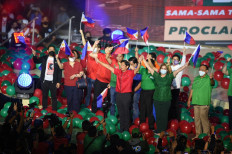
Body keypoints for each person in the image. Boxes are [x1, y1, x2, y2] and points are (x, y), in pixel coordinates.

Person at [143, 56, 189, 133]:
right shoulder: (156, 76)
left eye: (165, 69)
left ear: (167, 70)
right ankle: (158, 129)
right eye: (162, 68)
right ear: (160, 69)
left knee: (164, 116)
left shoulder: (169, 76)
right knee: (158, 115)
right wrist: (143, 59)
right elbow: (149, 67)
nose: (163, 70)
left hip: (166, 99)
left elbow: (177, 70)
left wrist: (184, 66)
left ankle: (163, 130)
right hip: (157, 99)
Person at [95, 57, 141, 132]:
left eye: (123, 65)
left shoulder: (130, 73)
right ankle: (121, 128)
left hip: (126, 95)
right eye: (121, 65)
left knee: (126, 111)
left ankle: (126, 128)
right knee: (120, 111)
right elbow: (109, 67)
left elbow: (137, 69)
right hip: (119, 94)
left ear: (127, 67)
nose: (121, 66)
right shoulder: (118, 72)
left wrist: (139, 62)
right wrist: (99, 61)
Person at [187, 64, 215, 137]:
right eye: (200, 69)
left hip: (204, 103)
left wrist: (212, 78)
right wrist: (189, 99)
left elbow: (212, 83)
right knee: (197, 120)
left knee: (204, 120)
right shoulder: (196, 78)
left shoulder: (209, 79)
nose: (200, 71)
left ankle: (206, 136)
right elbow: (192, 89)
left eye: (202, 70)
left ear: (206, 71)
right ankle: (198, 135)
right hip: (196, 102)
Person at [32, 46, 61, 111]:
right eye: (50, 49)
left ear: (54, 51)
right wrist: (34, 55)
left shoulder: (57, 59)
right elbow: (36, 61)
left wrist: (58, 82)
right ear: (47, 51)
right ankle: (44, 109)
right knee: (44, 96)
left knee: (54, 97)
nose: (51, 51)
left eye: (53, 50)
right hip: (44, 81)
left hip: (53, 81)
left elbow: (59, 71)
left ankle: (54, 110)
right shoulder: (44, 58)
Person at [89, 42, 114, 113]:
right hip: (99, 81)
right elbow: (90, 54)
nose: (108, 49)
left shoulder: (113, 59)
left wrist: (111, 82)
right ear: (105, 49)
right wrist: (94, 45)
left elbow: (112, 67)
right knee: (97, 97)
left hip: (108, 84)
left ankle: (103, 114)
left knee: (106, 99)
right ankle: (95, 112)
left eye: (109, 48)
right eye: (106, 48)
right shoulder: (100, 55)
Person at [80, 31, 100, 107]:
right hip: (89, 76)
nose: (95, 49)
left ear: (99, 49)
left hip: (96, 78)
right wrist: (82, 34)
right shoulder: (89, 54)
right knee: (88, 93)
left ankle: (95, 107)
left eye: (97, 48)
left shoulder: (100, 56)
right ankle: (86, 106)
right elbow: (84, 43)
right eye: (94, 48)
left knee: (96, 94)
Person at [139, 56, 156, 130]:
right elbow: (135, 68)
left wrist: (149, 60)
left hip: (151, 92)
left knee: (149, 108)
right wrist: (139, 60)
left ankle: (151, 125)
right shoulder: (143, 70)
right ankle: (142, 123)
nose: (147, 65)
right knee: (142, 107)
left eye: (148, 63)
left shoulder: (154, 72)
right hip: (143, 91)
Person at [169, 48, 186, 121]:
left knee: (175, 104)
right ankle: (170, 119)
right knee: (169, 104)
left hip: (176, 89)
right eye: (173, 59)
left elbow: (183, 63)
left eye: (176, 59)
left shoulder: (179, 67)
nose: (174, 60)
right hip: (169, 88)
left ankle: (176, 119)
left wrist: (184, 53)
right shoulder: (170, 67)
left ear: (179, 61)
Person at [128, 57, 142, 122]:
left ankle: (135, 121)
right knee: (129, 106)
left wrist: (134, 90)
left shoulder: (139, 70)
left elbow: (140, 82)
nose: (130, 66)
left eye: (131, 64)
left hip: (136, 91)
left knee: (135, 106)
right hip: (129, 91)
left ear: (135, 64)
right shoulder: (128, 70)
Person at [222, 57, 232, 130]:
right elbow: (224, 71)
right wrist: (226, 62)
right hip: (231, 94)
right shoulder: (231, 70)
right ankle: (231, 128)